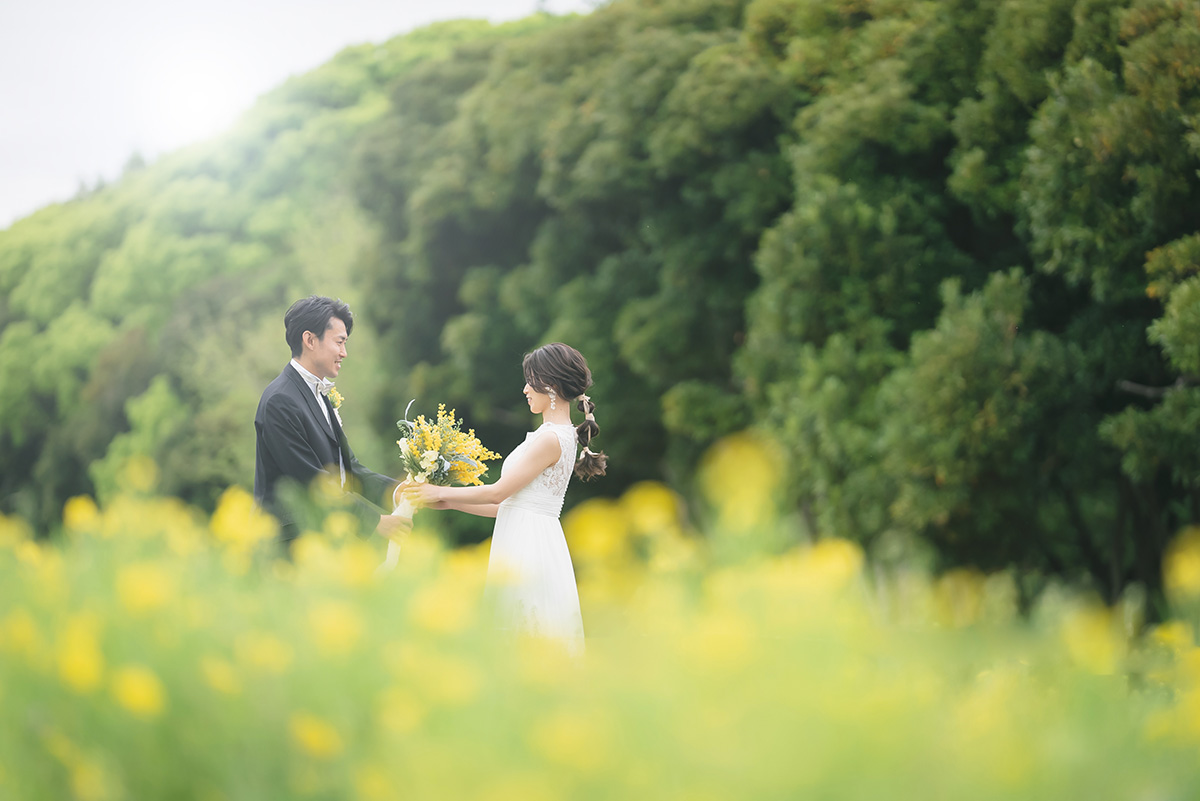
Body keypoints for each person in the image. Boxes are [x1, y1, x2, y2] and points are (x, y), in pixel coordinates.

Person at [406, 343, 607, 654]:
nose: (525, 389)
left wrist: (440, 491)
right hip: (526, 535)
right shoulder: (558, 435)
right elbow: (508, 507)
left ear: (551, 386)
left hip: (530, 547)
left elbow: (499, 491)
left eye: (531, 381)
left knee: (524, 636)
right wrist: (449, 502)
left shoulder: (552, 438)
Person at [254, 295, 409, 551]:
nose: (344, 353)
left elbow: (348, 469)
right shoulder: (280, 401)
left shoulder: (318, 393)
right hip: (290, 545)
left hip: (324, 539)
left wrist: (397, 492)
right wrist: (375, 522)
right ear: (310, 340)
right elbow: (311, 480)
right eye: (339, 342)